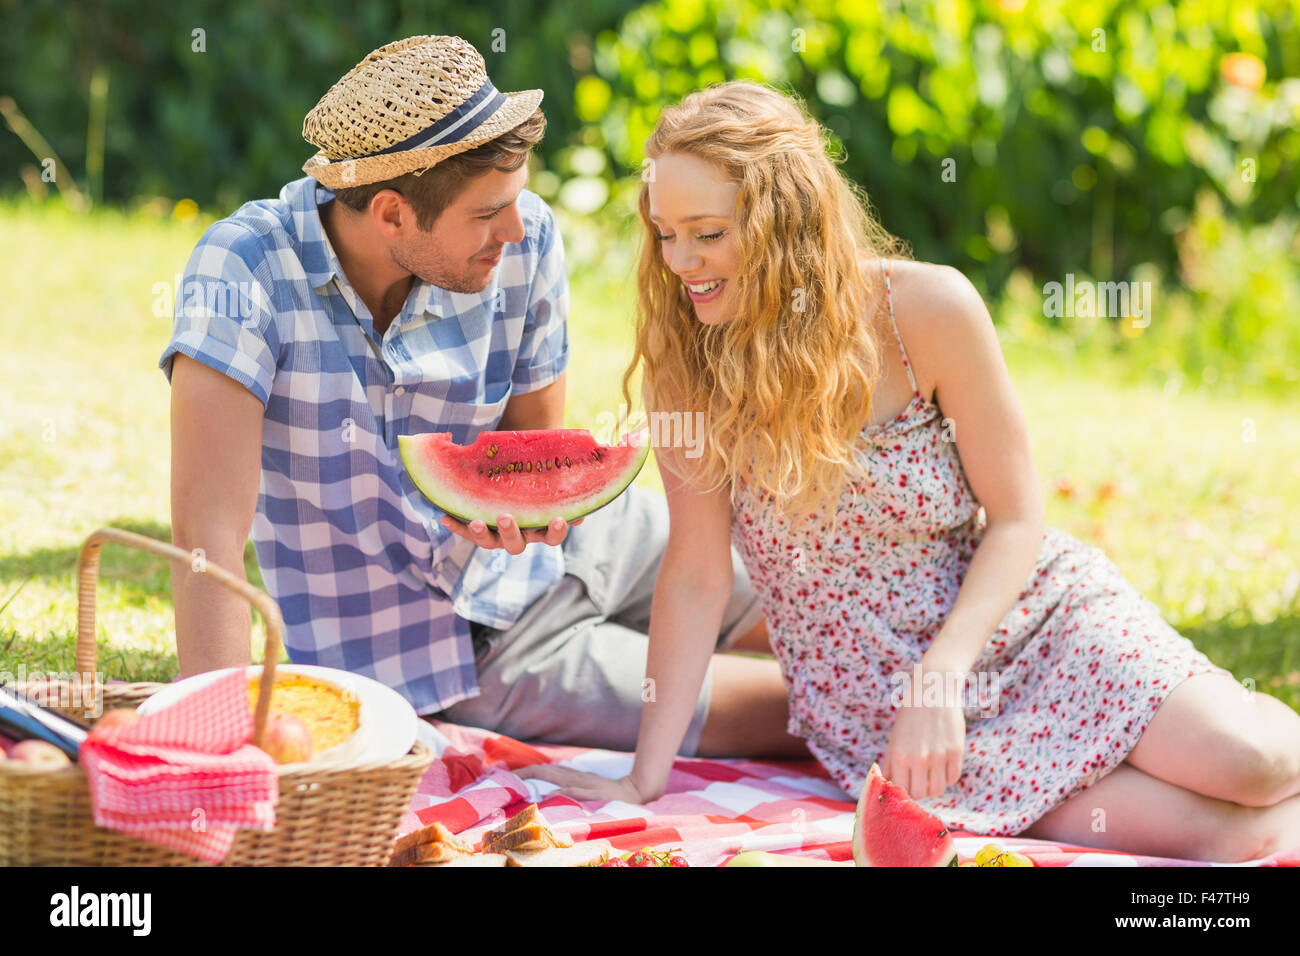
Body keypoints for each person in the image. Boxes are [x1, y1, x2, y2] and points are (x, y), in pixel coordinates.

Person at [519, 81, 1300, 863]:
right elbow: (695, 576)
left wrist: (942, 679)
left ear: (783, 217)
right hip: (874, 707)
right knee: (1228, 836)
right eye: (664, 234)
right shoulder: (688, 364)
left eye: (708, 233)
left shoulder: (923, 312)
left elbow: (1019, 517)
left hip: (1024, 625)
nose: (681, 262)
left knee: (1253, 767)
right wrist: (643, 780)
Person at [159, 36, 806, 761]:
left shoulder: (526, 243)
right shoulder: (243, 270)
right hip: (465, 657)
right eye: (488, 213)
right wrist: (219, 755)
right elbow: (205, 539)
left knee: (833, 602)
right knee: (810, 711)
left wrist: (524, 515)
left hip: (597, 540)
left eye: (518, 198)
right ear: (392, 214)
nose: (517, 228)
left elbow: (532, 453)